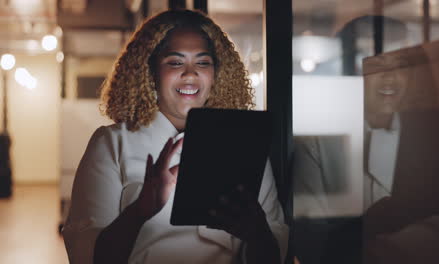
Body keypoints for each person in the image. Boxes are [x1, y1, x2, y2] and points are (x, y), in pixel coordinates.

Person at [62, 9, 288, 264]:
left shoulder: (245, 146)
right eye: (175, 62)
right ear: (150, 72)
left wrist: (257, 233)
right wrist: (140, 211)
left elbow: (274, 252)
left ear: (217, 74)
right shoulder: (112, 143)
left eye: (203, 62)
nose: (190, 74)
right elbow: (86, 255)